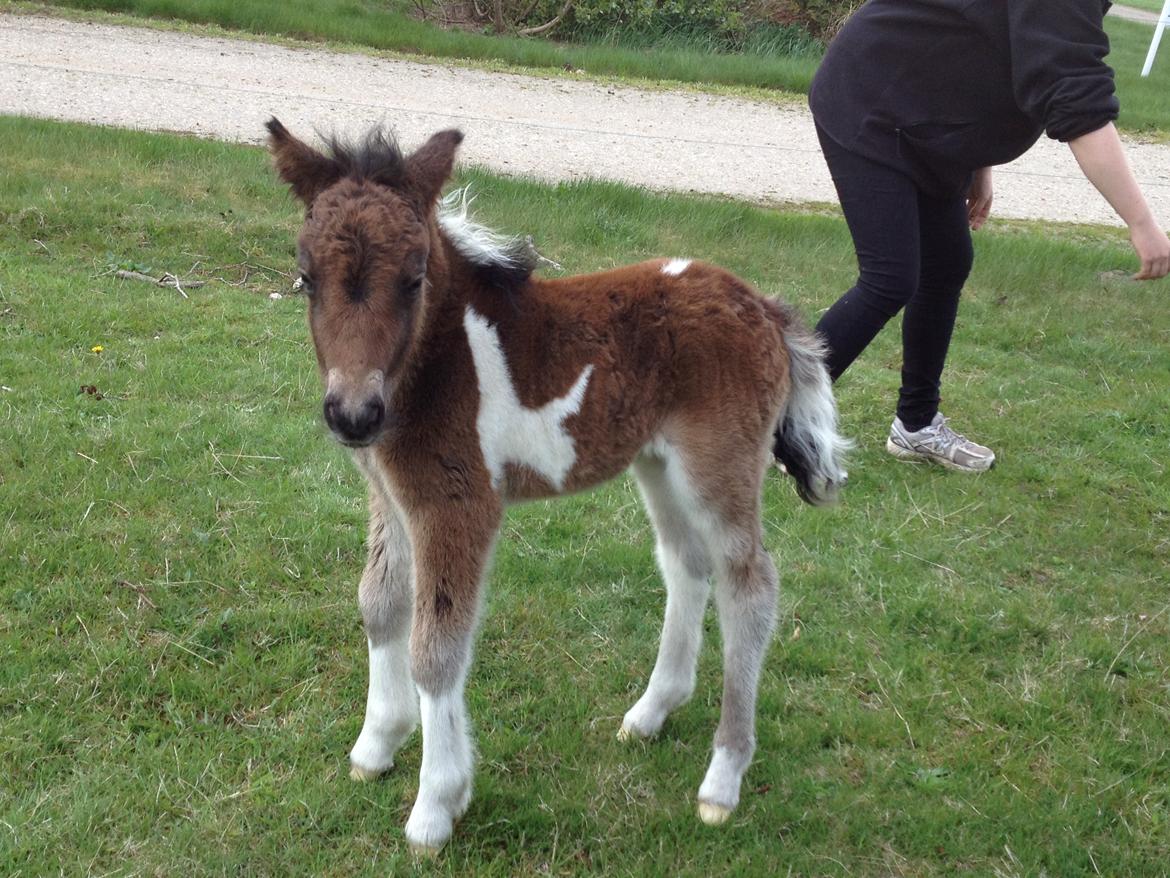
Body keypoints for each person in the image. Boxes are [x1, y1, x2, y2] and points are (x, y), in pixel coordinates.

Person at [784, 0, 1170, 473]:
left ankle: (915, 425)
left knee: (946, 263)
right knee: (890, 276)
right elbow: (1079, 106)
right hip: (872, 101)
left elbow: (990, 44)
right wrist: (1141, 223)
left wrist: (974, 160)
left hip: (925, 116)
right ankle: (766, 420)